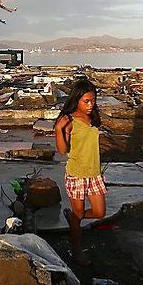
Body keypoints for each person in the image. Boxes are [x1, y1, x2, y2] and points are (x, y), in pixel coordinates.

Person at [54, 79, 105, 266]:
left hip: (94, 173)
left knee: (99, 212)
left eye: (93, 100)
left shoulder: (92, 118)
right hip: (76, 174)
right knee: (79, 214)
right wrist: (59, 129)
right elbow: (61, 150)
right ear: (77, 100)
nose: (91, 105)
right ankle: (76, 251)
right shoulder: (69, 121)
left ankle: (73, 217)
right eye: (86, 101)